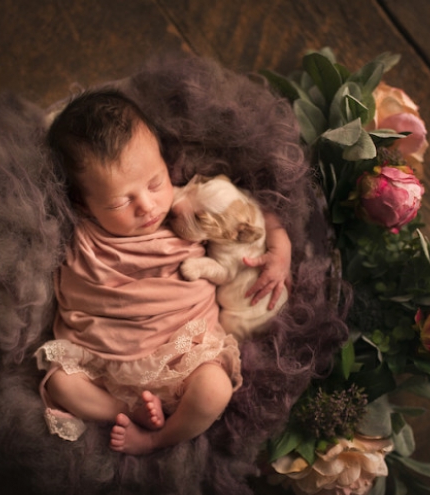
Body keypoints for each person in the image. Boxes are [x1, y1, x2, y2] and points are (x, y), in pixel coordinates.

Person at [35, 88, 291, 455]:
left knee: (214, 388)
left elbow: (251, 211)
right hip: (105, 359)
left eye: (155, 182)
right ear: (84, 204)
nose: (147, 206)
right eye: (120, 202)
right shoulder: (81, 231)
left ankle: (156, 438)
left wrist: (280, 249)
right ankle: (127, 410)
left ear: (163, 162)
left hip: (184, 350)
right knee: (60, 382)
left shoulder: (184, 204)